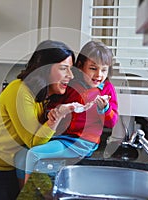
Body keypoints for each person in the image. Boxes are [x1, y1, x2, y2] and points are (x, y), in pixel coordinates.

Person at [0, 40, 76, 200]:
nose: (70, 76)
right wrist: (56, 118)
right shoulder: (20, 91)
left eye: (70, 69)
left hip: (8, 169)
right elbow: (33, 142)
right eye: (64, 68)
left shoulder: (45, 94)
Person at [16, 40, 119, 184]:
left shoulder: (107, 89)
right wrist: (53, 113)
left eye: (104, 70)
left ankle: (28, 196)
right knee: (21, 156)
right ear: (81, 66)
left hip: (82, 142)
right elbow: (53, 106)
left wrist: (105, 109)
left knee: (34, 154)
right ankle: (23, 192)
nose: (99, 75)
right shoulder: (71, 85)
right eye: (93, 68)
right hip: (63, 137)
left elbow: (112, 122)